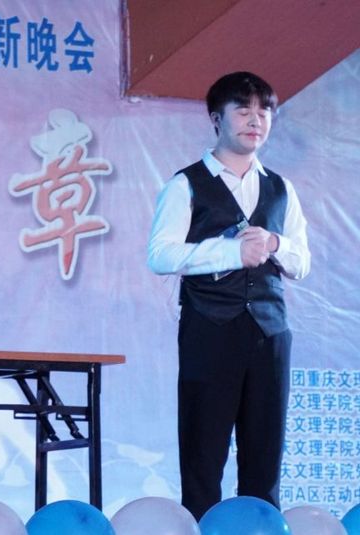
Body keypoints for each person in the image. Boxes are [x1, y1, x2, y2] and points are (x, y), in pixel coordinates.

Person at [147, 72, 311, 520]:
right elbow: (161, 254)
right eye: (243, 110)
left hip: (269, 333)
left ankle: (262, 528)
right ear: (216, 119)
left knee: (264, 457)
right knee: (203, 457)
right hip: (209, 329)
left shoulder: (280, 188)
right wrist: (229, 252)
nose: (255, 121)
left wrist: (274, 244)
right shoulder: (186, 184)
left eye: (264, 111)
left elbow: (302, 261)